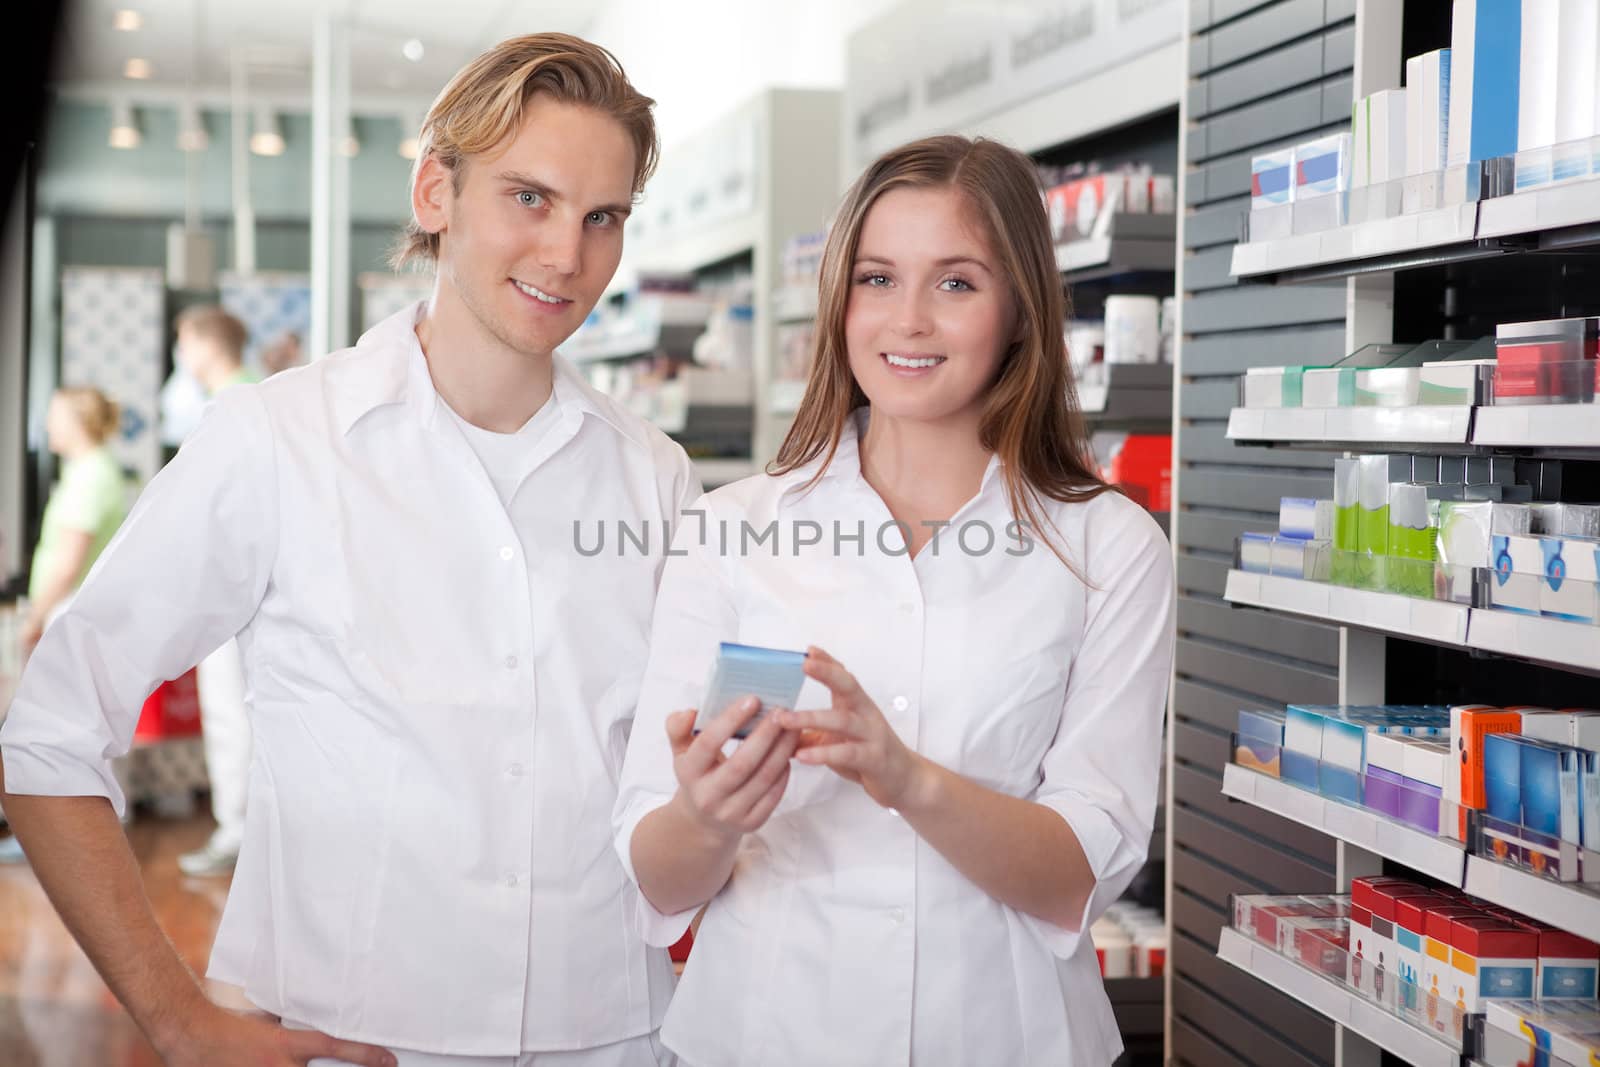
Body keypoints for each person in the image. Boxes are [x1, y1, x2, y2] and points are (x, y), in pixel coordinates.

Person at [1, 32, 693, 1067]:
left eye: (603, 217)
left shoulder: (653, 473)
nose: (567, 253)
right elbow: (50, 729)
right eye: (529, 198)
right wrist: (177, 1018)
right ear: (434, 194)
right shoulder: (277, 440)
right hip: (348, 1038)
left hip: (619, 1034)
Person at [615, 135, 1175, 1067]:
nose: (908, 320)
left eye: (957, 283)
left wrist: (908, 778)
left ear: (1020, 311)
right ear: (840, 301)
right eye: (878, 278)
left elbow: (1082, 868)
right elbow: (653, 871)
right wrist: (708, 815)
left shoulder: (1109, 546)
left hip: (1005, 1036)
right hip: (768, 1033)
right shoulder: (731, 530)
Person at [0, 387, 130, 863]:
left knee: (54, 733)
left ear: (76, 421)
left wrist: (35, 617)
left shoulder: (92, 475)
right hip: (69, 612)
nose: (47, 425)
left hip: (66, 611)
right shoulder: (89, 471)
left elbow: (70, 557)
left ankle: (48, 839)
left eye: (53, 416)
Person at [169, 306, 261, 879]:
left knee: (232, 714)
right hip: (243, 584)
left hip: (233, 587)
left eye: (182, 342)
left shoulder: (234, 405)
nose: (181, 356)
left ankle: (238, 833)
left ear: (204, 343)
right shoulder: (255, 395)